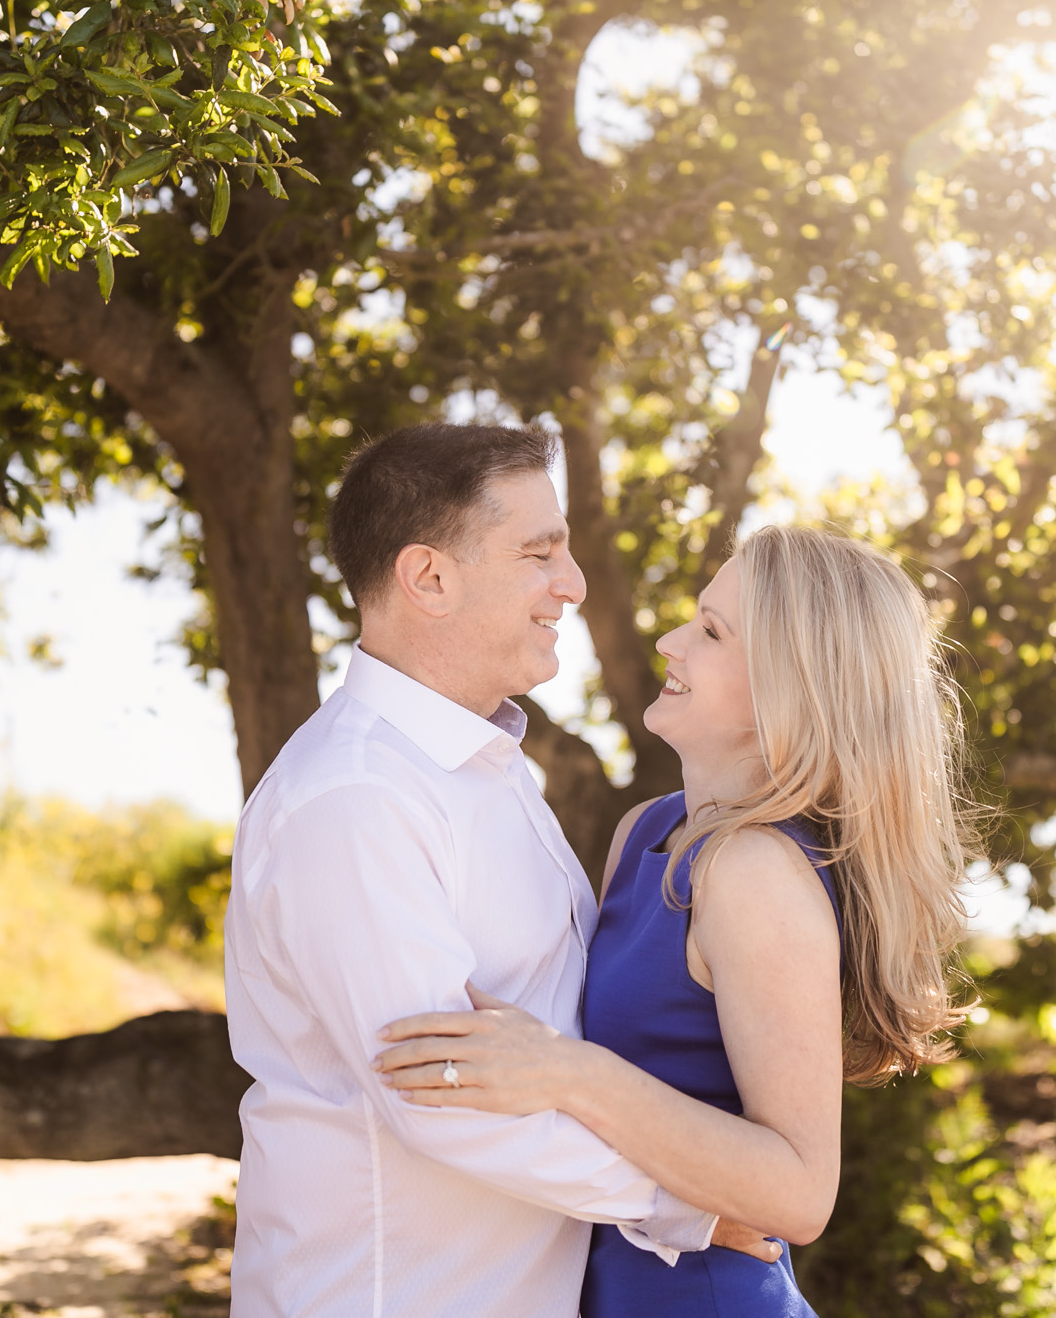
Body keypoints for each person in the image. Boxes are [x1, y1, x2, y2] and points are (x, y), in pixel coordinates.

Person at [221, 422, 774, 1318]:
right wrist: (687, 1204)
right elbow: (441, 1095)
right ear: (429, 577)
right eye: (537, 552)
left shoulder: (490, 765)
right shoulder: (355, 796)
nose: (574, 583)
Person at [374, 525, 977, 1317]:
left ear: (793, 687)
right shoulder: (646, 831)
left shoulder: (752, 871)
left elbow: (799, 1192)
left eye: (712, 631)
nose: (670, 640)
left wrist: (565, 1070)